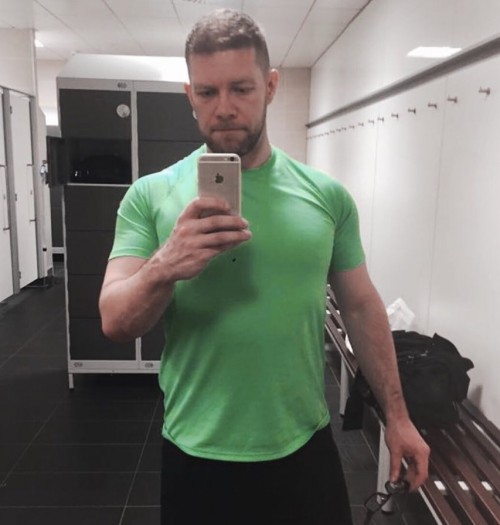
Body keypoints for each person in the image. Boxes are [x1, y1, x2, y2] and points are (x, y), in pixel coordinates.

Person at [99, 8, 430, 525]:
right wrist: (165, 264)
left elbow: (362, 308)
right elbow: (115, 321)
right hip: (196, 452)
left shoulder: (326, 197)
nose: (224, 107)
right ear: (189, 96)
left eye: (241, 89)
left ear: (271, 86)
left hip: (302, 448)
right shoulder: (151, 195)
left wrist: (399, 417)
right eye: (207, 92)